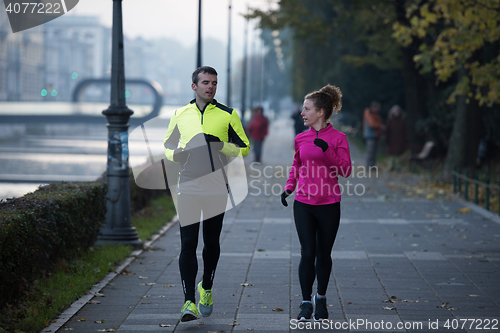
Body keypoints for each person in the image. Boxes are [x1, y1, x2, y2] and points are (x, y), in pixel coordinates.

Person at [163, 66, 250, 322]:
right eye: (205, 83)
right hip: (188, 186)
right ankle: (188, 301)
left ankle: (206, 288)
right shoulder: (180, 114)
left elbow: (244, 148)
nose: (210, 87)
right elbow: (168, 146)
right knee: (188, 243)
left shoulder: (228, 114)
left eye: (214, 83)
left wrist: (219, 145)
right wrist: (177, 154)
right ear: (194, 86)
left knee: (211, 244)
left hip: (215, 187)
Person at [281, 84, 352, 322]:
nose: (302, 113)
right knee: (307, 252)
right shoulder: (301, 138)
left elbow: (345, 170)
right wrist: (289, 187)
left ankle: (320, 299)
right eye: (303, 109)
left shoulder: (338, 138)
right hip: (303, 202)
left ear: (320, 112)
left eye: (306, 109)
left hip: (329, 203)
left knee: (323, 254)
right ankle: (305, 303)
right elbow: (297, 165)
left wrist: (327, 152)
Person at [385, 105, 408, 172]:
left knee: (398, 154)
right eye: (395, 111)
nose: (396, 113)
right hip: (392, 140)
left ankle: (398, 167)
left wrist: (406, 140)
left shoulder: (402, 121)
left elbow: (405, 131)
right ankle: (391, 166)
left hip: (400, 140)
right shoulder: (390, 121)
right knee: (391, 154)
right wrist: (387, 139)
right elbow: (387, 131)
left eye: (398, 111)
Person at [363, 101, 384, 169]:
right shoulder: (369, 113)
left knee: (373, 151)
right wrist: (380, 126)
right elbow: (372, 124)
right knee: (370, 151)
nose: (379, 109)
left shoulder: (375, 114)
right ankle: (368, 166)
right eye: (378, 108)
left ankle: (372, 166)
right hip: (370, 135)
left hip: (374, 135)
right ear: (374, 107)